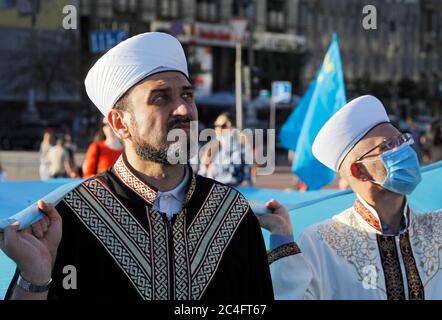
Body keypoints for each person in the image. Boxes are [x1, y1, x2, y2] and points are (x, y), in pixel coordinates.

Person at [1, 32, 273, 300]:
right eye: (161, 98)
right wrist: (35, 278)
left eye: (187, 96)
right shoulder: (68, 217)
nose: (184, 110)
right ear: (120, 124)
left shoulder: (232, 212)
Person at [259, 95, 442, 300]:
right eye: (388, 145)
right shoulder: (320, 243)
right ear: (359, 171)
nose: (404, 149)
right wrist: (282, 239)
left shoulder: (437, 228)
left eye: (402, 140)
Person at [199, 113, 246, 186]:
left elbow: (247, 179)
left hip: (235, 191)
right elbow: (202, 174)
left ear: (233, 127)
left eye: (223, 126)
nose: (219, 129)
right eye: (216, 126)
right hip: (213, 191)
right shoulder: (210, 147)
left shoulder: (242, 148)